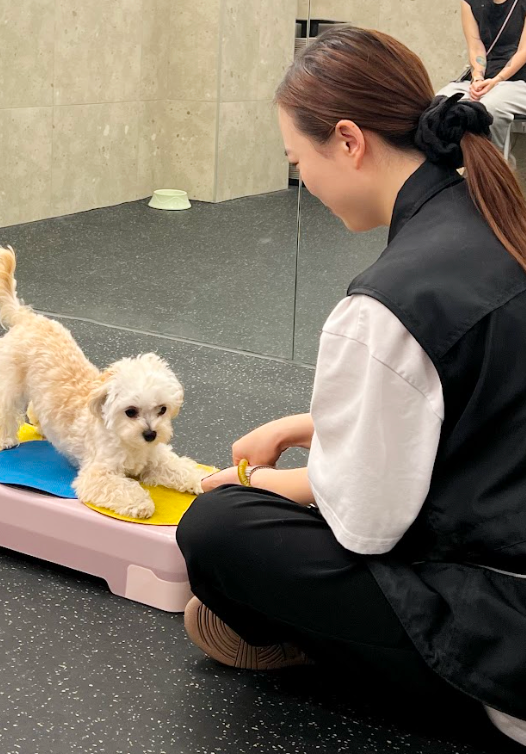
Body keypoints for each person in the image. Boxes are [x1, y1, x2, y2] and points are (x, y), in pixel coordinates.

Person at [176, 26, 526, 749]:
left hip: (502, 634)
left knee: (218, 530)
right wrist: (311, 424)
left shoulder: (388, 301)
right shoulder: (496, 219)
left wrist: (257, 485)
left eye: (297, 160)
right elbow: (475, 404)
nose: (303, 180)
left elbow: (365, 523)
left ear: (347, 140)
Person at [438, 0, 526, 157]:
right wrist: (478, 78)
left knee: (488, 109)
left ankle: (495, 165)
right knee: (440, 103)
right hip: (485, 77)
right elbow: (475, 45)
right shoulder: (469, 2)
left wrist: (497, 80)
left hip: (519, 81)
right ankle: (451, 167)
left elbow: (523, 51)